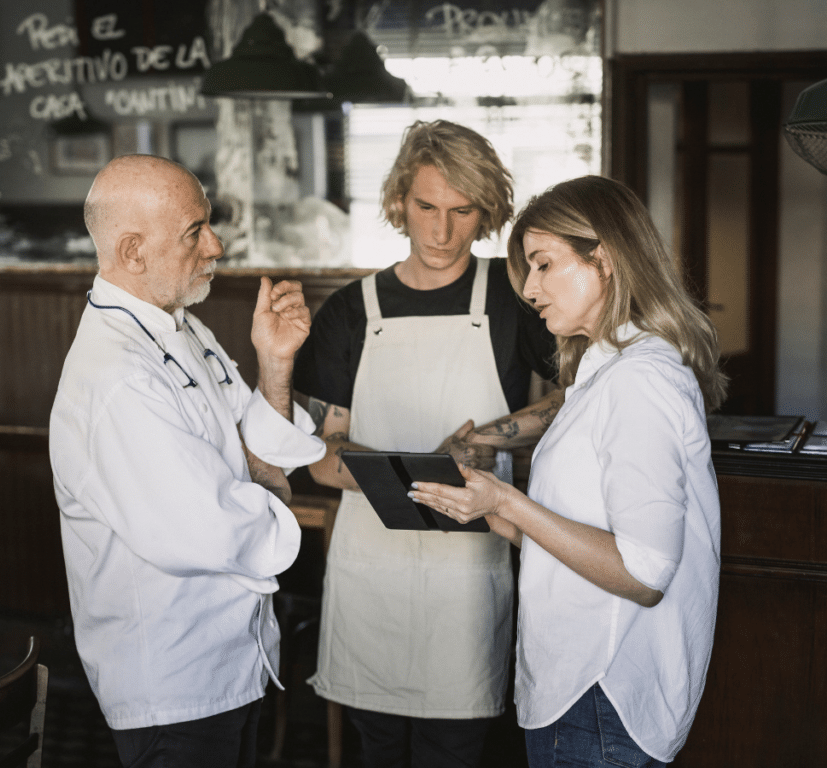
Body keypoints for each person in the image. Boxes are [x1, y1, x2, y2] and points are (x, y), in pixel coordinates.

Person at [411, 175, 727, 767]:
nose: (530, 289)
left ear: (603, 259)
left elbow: (642, 573)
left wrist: (508, 502)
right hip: (579, 687)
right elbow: (574, 534)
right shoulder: (603, 374)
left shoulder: (641, 380)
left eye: (544, 264)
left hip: (601, 693)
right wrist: (484, 511)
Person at [293, 119, 563, 768]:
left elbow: (573, 398)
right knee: (377, 746)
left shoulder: (513, 297)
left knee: (459, 747)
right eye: (425, 207)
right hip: (371, 568)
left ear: (487, 212)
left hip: (468, 572)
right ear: (396, 204)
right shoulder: (350, 311)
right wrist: (433, 473)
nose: (441, 231)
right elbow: (328, 460)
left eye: (462, 210)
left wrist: (487, 439)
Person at [49, 154, 326, 768]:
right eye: (195, 231)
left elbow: (251, 453)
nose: (217, 246)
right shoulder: (116, 378)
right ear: (133, 251)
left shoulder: (182, 328)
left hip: (235, 658)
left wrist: (275, 365)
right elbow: (211, 525)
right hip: (174, 681)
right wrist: (277, 499)